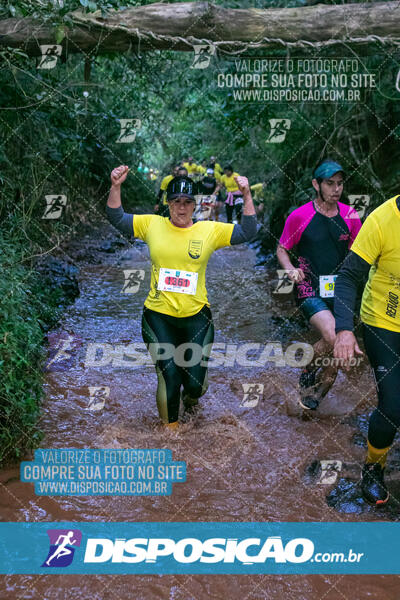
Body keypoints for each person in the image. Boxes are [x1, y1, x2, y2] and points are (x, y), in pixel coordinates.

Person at [106, 165, 257, 429]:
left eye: (188, 202)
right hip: (157, 316)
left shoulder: (208, 230)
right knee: (169, 376)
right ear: (168, 203)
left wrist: (246, 195)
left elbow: (248, 232)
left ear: (194, 204)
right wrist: (116, 186)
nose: (182, 207)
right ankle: (171, 436)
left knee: (196, 385)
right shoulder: (152, 225)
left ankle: (191, 401)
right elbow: (117, 218)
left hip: (196, 317)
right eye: (176, 201)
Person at [277, 158, 362, 410]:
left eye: (339, 184)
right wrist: (290, 269)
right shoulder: (299, 216)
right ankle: (307, 378)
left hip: (341, 290)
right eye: (329, 183)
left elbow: (358, 254)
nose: (336, 189)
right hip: (308, 287)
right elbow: (282, 249)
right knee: (336, 336)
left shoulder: (350, 215)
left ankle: (315, 397)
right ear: (316, 184)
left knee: (335, 342)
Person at [334, 194, 400, 505]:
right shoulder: (382, 220)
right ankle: (374, 468)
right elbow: (348, 276)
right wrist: (344, 330)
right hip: (384, 320)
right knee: (393, 404)